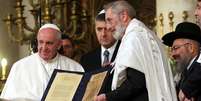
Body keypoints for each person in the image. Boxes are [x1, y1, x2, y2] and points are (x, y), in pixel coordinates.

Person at [95, 1, 177, 101]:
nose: (108, 27)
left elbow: (136, 82)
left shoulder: (134, 37)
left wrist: (108, 97)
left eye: (109, 20)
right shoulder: (141, 33)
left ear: (124, 16)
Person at [0, 24, 84, 100]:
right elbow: (8, 98)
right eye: (41, 42)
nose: (44, 48)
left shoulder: (75, 67)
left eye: (49, 43)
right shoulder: (19, 67)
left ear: (59, 45)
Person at [162, 22, 201, 101]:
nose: (172, 54)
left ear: (190, 48)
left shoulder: (196, 73)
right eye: (171, 50)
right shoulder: (185, 73)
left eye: (175, 48)